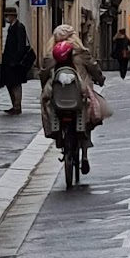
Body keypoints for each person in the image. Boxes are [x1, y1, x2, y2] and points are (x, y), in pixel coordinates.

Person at [40, 22, 105, 174]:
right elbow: (94, 68)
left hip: (58, 96)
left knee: (50, 108)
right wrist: (100, 78)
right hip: (80, 94)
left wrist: (45, 87)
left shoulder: (51, 54)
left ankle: (57, 137)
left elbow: (43, 73)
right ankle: (85, 156)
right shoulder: (82, 53)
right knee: (87, 119)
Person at [0, 5, 31, 115]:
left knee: (15, 83)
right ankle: (15, 105)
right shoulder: (13, 27)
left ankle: (17, 106)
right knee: (10, 83)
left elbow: (20, 46)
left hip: (15, 63)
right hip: (10, 62)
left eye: (7, 16)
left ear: (12, 16)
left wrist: (15, 60)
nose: (6, 18)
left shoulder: (19, 27)